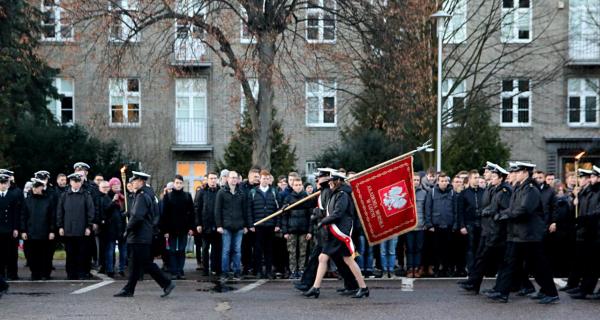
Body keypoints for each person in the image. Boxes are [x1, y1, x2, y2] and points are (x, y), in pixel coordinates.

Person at [487, 162, 559, 304]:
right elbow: (513, 207)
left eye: (518, 171)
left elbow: (524, 210)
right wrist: (502, 213)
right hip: (519, 234)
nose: (514, 174)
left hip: (529, 235)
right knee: (511, 263)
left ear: (526, 172)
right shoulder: (520, 188)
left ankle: (550, 292)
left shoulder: (531, 189)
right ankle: (502, 292)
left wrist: (504, 216)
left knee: (537, 265)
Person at [303, 171, 369, 299]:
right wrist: (318, 215)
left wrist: (323, 221)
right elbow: (329, 212)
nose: (329, 183)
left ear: (338, 181)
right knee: (332, 259)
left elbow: (338, 213)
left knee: (339, 259)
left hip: (340, 232)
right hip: (334, 231)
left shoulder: (343, 195)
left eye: (331, 181)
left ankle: (363, 287)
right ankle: (316, 288)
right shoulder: (335, 194)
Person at [114, 171, 175, 298]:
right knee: (135, 265)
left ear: (141, 182)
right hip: (141, 235)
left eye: (134, 181)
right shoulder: (144, 195)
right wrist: (128, 214)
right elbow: (137, 213)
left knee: (145, 263)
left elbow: (137, 216)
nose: (132, 183)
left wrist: (127, 230)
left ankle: (166, 283)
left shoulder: (142, 196)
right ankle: (129, 289)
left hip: (139, 236)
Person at [459, 163, 511, 293]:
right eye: (489, 173)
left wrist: (485, 212)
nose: (486, 175)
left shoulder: (503, 190)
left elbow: (502, 210)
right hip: (488, 229)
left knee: (497, 260)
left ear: (500, 177)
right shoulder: (491, 188)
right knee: (482, 257)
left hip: (496, 231)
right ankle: (474, 284)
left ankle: (501, 289)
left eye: (490, 173)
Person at [569, 166, 600, 299]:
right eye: (591, 177)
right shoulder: (592, 192)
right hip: (591, 231)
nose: (591, 179)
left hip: (597, 230)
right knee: (591, 264)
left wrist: (584, 219)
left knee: (593, 263)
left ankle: (586, 289)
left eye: (593, 177)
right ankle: (585, 289)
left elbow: (598, 212)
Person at [56, 173, 95, 280]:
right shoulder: (64, 195)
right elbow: (60, 212)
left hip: (82, 230)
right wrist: (60, 226)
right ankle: (71, 273)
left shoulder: (86, 195)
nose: (76, 184)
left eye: (78, 182)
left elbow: (90, 212)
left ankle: (82, 273)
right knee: (70, 253)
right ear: (70, 182)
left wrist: (88, 226)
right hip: (68, 230)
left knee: (82, 253)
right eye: (74, 181)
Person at [562, 169, 594, 293]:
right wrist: (574, 201)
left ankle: (583, 287)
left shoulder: (590, 192)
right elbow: (572, 211)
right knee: (577, 260)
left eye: (581, 178)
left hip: (588, 230)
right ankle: (573, 283)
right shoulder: (581, 193)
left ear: (587, 179)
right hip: (580, 230)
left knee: (586, 261)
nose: (578, 180)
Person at [248, 170, 282, 279]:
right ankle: (258, 271)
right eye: (263, 178)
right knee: (258, 249)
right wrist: (251, 224)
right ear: (260, 179)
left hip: (270, 225)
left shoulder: (274, 192)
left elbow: (279, 209)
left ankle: (268, 271)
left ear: (270, 180)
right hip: (258, 226)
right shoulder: (253, 192)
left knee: (269, 250)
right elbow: (249, 210)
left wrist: (277, 224)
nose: (265, 180)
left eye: (267, 178)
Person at [215, 171, 249, 280]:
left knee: (237, 250)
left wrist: (246, 226)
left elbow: (245, 211)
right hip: (226, 227)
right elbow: (217, 210)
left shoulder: (242, 193)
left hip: (239, 226)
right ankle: (224, 272)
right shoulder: (221, 192)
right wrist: (219, 225)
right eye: (232, 177)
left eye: (236, 178)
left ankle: (237, 271)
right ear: (227, 179)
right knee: (226, 250)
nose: (234, 179)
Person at [20, 178, 56, 280]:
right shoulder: (27, 200)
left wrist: (52, 231)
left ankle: (45, 273)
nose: (36, 189)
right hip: (31, 233)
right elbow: (23, 216)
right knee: (31, 254)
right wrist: (23, 230)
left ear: (42, 187)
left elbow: (51, 217)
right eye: (34, 187)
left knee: (45, 254)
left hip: (45, 233)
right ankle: (35, 273)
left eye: (38, 187)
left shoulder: (48, 200)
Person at [161, 175, 194, 280]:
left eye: (180, 183)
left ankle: (180, 270)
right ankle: (174, 271)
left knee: (181, 250)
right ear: (174, 184)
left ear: (183, 184)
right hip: (171, 229)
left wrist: (190, 228)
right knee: (172, 251)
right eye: (177, 183)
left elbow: (192, 213)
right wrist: (165, 230)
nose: (178, 185)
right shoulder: (168, 196)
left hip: (184, 228)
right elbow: (164, 215)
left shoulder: (187, 196)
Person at [424, 172, 456, 277]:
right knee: (436, 249)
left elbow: (455, 210)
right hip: (436, 226)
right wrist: (429, 224)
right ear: (438, 181)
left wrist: (455, 224)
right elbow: (428, 209)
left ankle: (446, 269)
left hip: (448, 225)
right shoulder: (432, 192)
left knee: (448, 249)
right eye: (442, 181)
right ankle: (436, 269)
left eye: (446, 181)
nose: (444, 183)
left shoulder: (452, 193)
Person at [282, 179, 312, 279]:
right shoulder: (288, 198)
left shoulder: (307, 198)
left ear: (302, 186)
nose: (298, 186)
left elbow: (310, 216)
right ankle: (293, 271)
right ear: (293, 186)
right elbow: (284, 216)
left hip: (304, 230)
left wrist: (310, 231)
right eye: (296, 185)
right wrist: (285, 231)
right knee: (292, 252)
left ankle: (301, 270)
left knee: (303, 252)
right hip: (291, 230)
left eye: (299, 185)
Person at [457, 170, 484, 277]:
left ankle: (479, 270)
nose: (477, 179)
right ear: (470, 179)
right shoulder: (464, 193)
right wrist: (462, 225)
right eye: (475, 178)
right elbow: (460, 211)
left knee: (480, 248)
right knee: (470, 248)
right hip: (469, 223)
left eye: (478, 177)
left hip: (482, 223)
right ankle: (471, 270)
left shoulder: (484, 192)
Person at [195, 172, 222, 277]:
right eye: (211, 178)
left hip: (218, 225)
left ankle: (216, 269)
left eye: (215, 178)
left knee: (217, 248)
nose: (213, 180)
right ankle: (205, 269)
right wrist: (198, 224)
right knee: (205, 248)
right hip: (205, 225)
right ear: (207, 180)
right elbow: (197, 209)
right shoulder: (201, 192)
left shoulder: (221, 191)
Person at [103, 178, 127, 278]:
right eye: (114, 186)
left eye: (118, 186)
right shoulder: (107, 197)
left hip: (121, 227)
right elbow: (106, 211)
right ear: (111, 187)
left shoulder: (123, 197)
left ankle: (122, 269)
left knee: (123, 251)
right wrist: (113, 201)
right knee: (110, 250)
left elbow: (124, 211)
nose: (117, 188)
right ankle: (110, 269)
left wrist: (125, 214)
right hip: (111, 228)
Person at [0, 173, 21, 282]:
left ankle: (12, 273)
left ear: (8, 184)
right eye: (1, 183)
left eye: (5, 183)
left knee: (11, 253)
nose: (3, 185)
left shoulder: (13, 196)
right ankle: (1, 274)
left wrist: (16, 228)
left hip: (10, 229)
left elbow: (16, 214)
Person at [406, 174, 427, 278]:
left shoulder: (424, 193)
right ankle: (410, 268)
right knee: (410, 249)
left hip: (421, 226)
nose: (416, 181)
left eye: (417, 180)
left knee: (419, 248)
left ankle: (417, 268)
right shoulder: (405, 192)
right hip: (408, 226)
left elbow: (426, 209)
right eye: (414, 180)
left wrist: (426, 223)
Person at [240, 167, 260, 275]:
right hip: (245, 223)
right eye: (255, 176)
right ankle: (246, 266)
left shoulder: (260, 188)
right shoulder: (242, 188)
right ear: (249, 176)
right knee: (245, 247)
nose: (257, 179)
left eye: (258, 177)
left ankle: (256, 268)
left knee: (257, 247)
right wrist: (244, 225)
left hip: (257, 222)